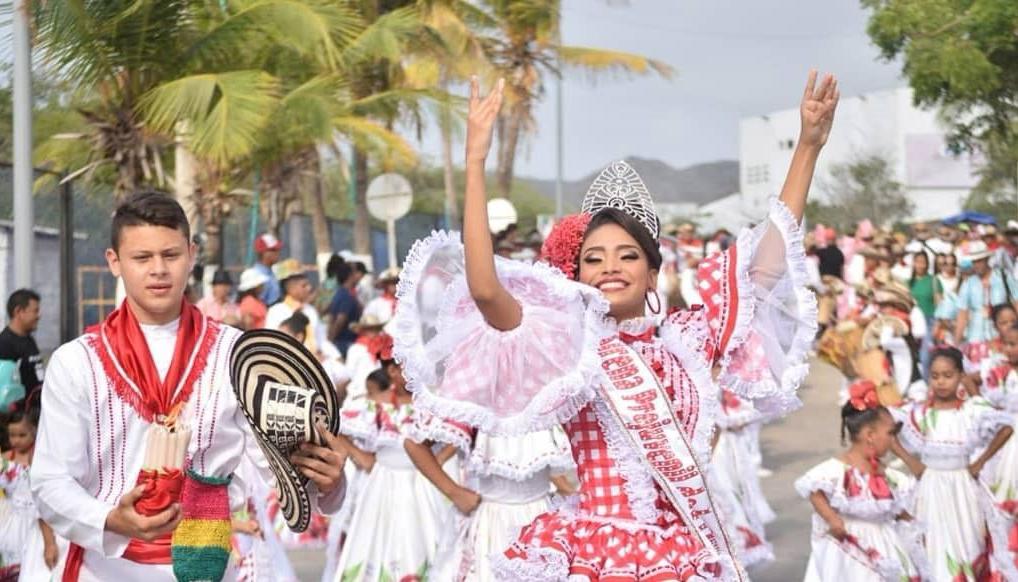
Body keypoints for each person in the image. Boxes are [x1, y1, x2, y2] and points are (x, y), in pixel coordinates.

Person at [390, 72, 836, 579]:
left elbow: (763, 273)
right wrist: (475, 162)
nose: (610, 267)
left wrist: (807, 147)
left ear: (652, 274)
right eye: (594, 258)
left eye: (627, 255)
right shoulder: (567, 345)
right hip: (600, 553)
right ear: (576, 276)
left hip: (686, 553)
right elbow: (488, 292)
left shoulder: (687, 339)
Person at [30, 192, 347, 581]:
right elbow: (50, 480)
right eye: (142, 257)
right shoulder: (77, 362)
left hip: (208, 565)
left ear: (192, 255)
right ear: (114, 261)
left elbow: (279, 467)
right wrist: (110, 519)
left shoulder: (237, 354)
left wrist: (327, 481)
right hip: (103, 566)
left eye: (171, 255)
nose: (158, 270)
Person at [331, 335, 456, 581]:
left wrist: (439, 460)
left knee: (426, 537)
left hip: (424, 484)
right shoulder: (374, 405)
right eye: (411, 366)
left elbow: (463, 428)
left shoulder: (432, 405)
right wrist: (359, 455)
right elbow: (333, 425)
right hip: (382, 483)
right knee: (378, 538)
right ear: (392, 371)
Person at [890, 347, 1017, 580]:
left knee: (968, 541)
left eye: (948, 376)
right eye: (935, 376)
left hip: (963, 486)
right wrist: (911, 462)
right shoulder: (919, 411)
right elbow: (887, 429)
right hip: (929, 485)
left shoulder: (972, 410)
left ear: (961, 376)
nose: (941, 382)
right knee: (933, 542)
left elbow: (1007, 427)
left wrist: (980, 462)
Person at [405, 417, 575, 582]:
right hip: (488, 522)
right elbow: (414, 444)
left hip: (542, 520)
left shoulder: (545, 405)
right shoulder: (473, 407)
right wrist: (454, 492)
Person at [795, 381, 926, 581]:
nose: (893, 440)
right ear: (870, 436)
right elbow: (816, 492)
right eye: (890, 433)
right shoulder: (838, 470)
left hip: (885, 543)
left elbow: (895, 507)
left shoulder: (889, 476)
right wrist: (831, 518)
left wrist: (912, 523)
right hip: (851, 550)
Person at [0, 402, 65, 580]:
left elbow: (42, 502)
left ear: (35, 431)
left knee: (35, 567)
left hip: (39, 522)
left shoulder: (40, 458)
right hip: (12, 521)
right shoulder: (5, 460)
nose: (16, 440)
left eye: (22, 435)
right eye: (12, 435)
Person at [954, 240, 1018, 366]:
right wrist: (956, 343)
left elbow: (1016, 303)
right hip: (976, 337)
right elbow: (962, 315)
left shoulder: (1004, 276)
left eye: (980, 261)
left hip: (1002, 337)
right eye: (974, 262)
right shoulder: (968, 283)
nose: (976, 265)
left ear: (987, 259)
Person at [0, 289, 44, 397]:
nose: (39, 316)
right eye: (35, 311)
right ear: (18, 311)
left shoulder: (29, 339)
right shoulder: (4, 344)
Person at [327, 262, 362, 358]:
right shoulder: (347, 297)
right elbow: (340, 321)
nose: (358, 276)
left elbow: (331, 318)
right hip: (346, 344)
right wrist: (330, 342)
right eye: (355, 273)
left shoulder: (339, 293)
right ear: (350, 276)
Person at [252, 234, 283, 306]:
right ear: (263, 253)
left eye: (278, 249)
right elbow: (258, 305)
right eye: (273, 250)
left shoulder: (273, 272)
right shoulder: (256, 276)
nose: (278, 253)